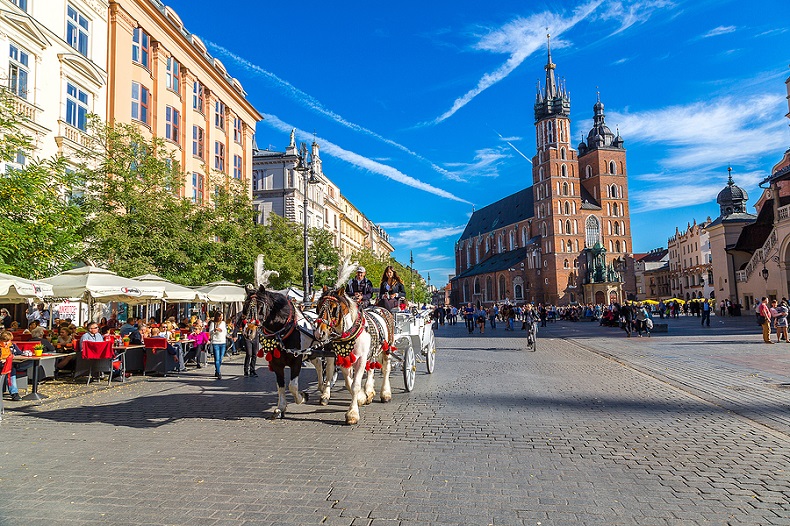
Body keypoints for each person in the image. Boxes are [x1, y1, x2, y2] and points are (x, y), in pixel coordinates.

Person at [1, 330, 23, 401]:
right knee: (11, 371)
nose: (7, 343)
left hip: (9, 365)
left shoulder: (12, 346)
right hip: (1, 365)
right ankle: (14, 393)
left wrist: (12, 356)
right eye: (4, 341)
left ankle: (14, 393)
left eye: (8, 341)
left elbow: (20, 353)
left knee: (11, 370)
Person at [208, 313, 227, 379]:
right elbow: (210, 333)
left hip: (223, 342)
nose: (221, 318)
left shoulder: (223, 323)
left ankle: (217, 370)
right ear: (217, 317)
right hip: (215, 342)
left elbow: (225, 331)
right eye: (220, 316)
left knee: (221, 358)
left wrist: (222, 331)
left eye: (222, 316)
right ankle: (218, 372)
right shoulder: (213, 323)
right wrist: (214, 330)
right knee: (217, 358)